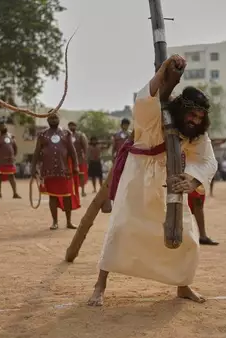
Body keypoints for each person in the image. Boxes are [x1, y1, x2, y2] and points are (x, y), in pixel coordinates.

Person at [87, 54, 218, 307]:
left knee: (187, 235)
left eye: (200, 117)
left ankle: (183, 285)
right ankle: (100, 285)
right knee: (121, 228)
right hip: (137, 177)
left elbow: (206, 161)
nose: (195, 121)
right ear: (182, 110)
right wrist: (163, 72)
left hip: (170, 183)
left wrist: (191, 182)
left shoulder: (196, 133)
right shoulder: (156, 115)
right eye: (192, 115)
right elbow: (143, 100)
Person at [29, 112, 80, 229]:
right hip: (49, 171)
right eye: (51, 118)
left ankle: (69, 221)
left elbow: (72, 152)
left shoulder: (66, 134)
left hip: (64, 170)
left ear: (59, 119)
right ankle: (55, 222)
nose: (53, 120)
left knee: (67, 196)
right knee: (52, 196)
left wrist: (76, 166)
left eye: (55, 117)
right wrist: (33, 168)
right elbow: (36, 153)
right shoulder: (42, 135)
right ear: (47, 120)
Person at [0, 121, 21, 199]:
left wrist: (13, 155)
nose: (4, 127)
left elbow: (15, 147)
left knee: (11, 176)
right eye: (2, 126)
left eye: (5, 126)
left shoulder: (11, 136)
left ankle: (15, 193)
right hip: (1, 162)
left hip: (10, 161)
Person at [68, 121, 89, 197]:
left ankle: (83, 191)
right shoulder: (67, 135)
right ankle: (73, 191)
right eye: (70, 126)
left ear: (76, 126)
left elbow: (85, 147)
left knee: (81, 175)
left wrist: (85, 157)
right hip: (70, 160)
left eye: (73, 125)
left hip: (80, 159)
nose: (71, 127)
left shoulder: (80, 135)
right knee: (71, 176)